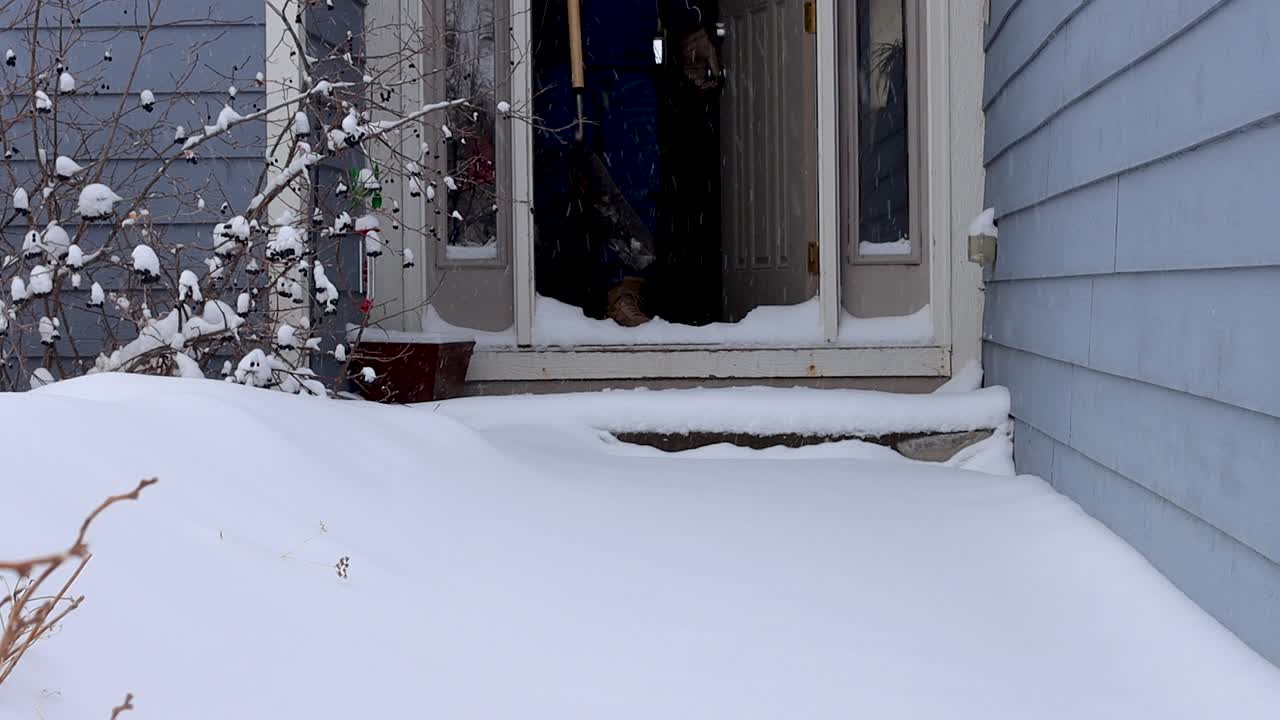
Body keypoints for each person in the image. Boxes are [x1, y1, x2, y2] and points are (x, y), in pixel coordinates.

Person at [532, 0, 721, 326]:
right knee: (558, 177)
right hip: (561, 56)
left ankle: (623, 290)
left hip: (630, 55)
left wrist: (689, 27)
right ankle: (556, 295)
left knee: (636, 175)